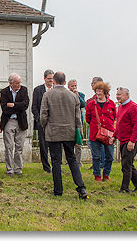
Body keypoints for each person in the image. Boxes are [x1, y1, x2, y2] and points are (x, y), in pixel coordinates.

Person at [40, 71, 88, 199]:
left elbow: (43, 114)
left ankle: (58, 190)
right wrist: (79, 132)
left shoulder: (48, 94)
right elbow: (78, 117)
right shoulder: (73, 96)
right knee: (71, 159)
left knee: (56, 161)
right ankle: (81, 187)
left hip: (53, 131)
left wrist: (45, 127)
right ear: (65, 82)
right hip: (69, 131)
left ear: (54, 81)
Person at [114, 87, 137, 193]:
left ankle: (124, 188)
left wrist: (132, 141)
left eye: (120, 95)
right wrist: (114, 137)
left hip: (131, 140)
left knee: (126, 165)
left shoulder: (133, 107)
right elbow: (119, 124)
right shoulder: (121, 107)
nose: (117, 97)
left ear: (126, 95)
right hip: (123, 140)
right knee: (128, 164)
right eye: (117, 94)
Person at [85, 81, 116, 182]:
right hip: (95, 134)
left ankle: (106, 175)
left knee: (109, 156)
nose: (98, 93)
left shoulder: (111, 104)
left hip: (109, 134)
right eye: (97, 91)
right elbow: (88, 118)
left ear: (105, 92)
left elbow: (115, 116)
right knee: (96, 156)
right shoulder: (91, 104)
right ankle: (97, 175)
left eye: (100, 91)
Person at [0, 73, 30, 177]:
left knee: (19, 146)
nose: (19, 85)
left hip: (21, 122)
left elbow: (25, 105)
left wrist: (13, 105)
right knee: (9, 146)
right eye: (17, 83)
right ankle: (9, 169)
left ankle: (18, 169)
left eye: (19, 82)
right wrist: (18, 107)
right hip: (9, 121)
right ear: (11, 83)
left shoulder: (24, 90)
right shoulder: (4, 92)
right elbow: (4, 108)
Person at [31, 69, 54, 173]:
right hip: (42, 122)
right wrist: (38, 119)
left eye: (52, 79)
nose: (51, 81)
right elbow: (34, 107)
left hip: (54, 123)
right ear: (44, 79)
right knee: (43, 146)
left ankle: (55, 166)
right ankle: (46, 167)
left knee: (54, 145)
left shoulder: (56, 90)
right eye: (49, 79)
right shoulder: (38, 90)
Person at [86, 76, 104, 171]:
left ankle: (100, 163)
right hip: (96, 125)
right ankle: (99, 163)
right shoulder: (95, 98)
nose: (91, 85)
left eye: (93, 83)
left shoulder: (101, 98)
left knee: (99, 144)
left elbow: (88, 104)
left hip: (98, 125)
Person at [67, 79, 86, 167]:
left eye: (75, 86)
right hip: (69, 121)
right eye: (72, 86)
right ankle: (68, 161)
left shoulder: (81, 95)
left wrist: (77, 96)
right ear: (68, 87)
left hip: (78, 121)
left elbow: (83, 104)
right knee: (68, 142)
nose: (74, 88)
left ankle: (78, 161)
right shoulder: (66, 95)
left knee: (78, 142)